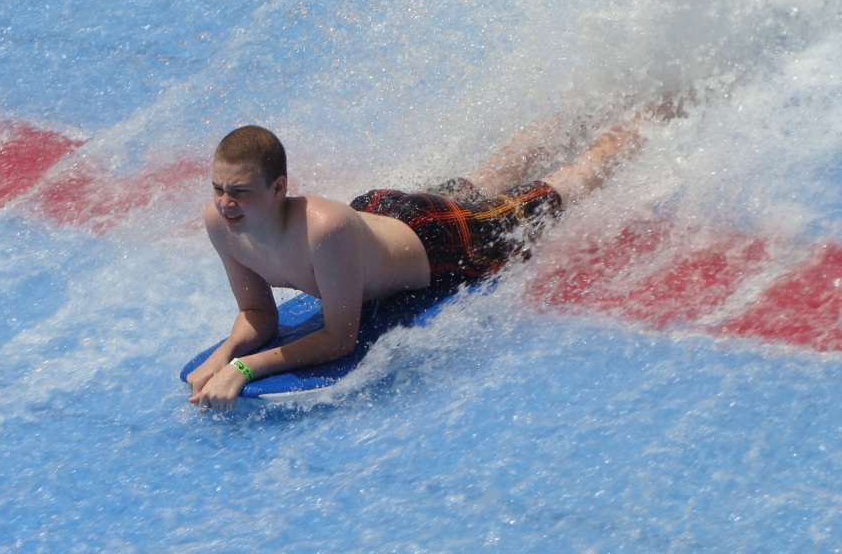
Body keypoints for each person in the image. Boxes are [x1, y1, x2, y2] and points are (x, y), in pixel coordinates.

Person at [187, 105, 662, 413]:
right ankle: (576, 109)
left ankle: (652, 115)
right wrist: (224, 353)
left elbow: (339, 338)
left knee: (556, 192)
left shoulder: (322, 230)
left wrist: (247, 368)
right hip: (380, 214)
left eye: (240, 192)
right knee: (487, 178)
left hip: (438, 240)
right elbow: (257, 313)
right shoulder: (222, 224)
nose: (226, 203)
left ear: (278, 188)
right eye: (219, 188)